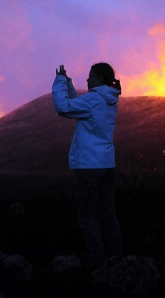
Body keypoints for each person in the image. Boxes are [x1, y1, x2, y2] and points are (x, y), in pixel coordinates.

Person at [52, 62, 123, 269]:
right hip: (107, 165)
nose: (88, 79)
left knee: (88, 216)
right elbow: (80, 106)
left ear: (100, 78)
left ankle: (98, 265)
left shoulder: (94, 99)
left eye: (91, 75)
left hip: (88, 166)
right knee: (108, 213)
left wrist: (59, 82)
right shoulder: (109, 99)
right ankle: (116, 260)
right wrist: (68, 84)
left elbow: (63, 108)